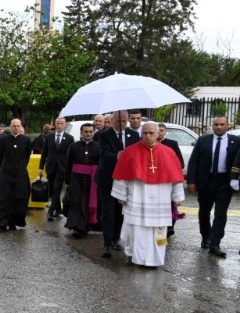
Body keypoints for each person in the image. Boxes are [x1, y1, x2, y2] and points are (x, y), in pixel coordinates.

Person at [111, 121, 185, 267]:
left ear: (158, 134)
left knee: (158, 230)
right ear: (141, 133)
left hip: (161, 200)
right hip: (137, 195)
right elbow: (122, 175)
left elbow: (176, 177)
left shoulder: (169, 152)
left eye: (152, 133)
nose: (148, 136)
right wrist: (121, 195)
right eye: (145, 133)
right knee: (136, 229)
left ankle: (154, 260)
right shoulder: (130, 151)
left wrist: (177, 197)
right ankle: (134, 257)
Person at [186, 115, 240, 258]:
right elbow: (193, 161)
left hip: (224, 182)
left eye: (222, 124)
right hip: (206, 181)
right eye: (216, 124)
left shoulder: (236, 141)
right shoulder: (203, 140)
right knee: (204, 211)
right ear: (212, 125)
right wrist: (191, 181)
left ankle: (215, 244)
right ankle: (206, 237)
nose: (219, 127)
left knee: (220, 214)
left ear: (228, 125)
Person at [94, 110, 139, 257]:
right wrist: (116, 156)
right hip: (108, 178)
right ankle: (107, 243)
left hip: (126, 180)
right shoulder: (103, 135)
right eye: (119, 121)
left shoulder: (133, 135)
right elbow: (103, 153)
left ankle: (115, 239)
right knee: (108, 211)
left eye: (124, 121)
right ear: (113, 120)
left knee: (121, 212)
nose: (122, 124)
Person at [0, 118, 33, 231]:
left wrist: (20, 167)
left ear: (21, 127)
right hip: (6, 172)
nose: (16, 128)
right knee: (4, 197)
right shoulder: (4, 140)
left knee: (18, 197)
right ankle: (3, 221)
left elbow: (27, 156)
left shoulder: (26, 140)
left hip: (20, 173)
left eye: (18, 126)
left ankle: (13, 222)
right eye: (14, 126)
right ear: (10, 127)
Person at [64, 123, 101, 239]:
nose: (88, 134)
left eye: (90, 131)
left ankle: (85, 226)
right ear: (81, 132)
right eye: (86, 131)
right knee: (76, 202)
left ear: (93, 132)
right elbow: (68, 163)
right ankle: (77, 226)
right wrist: (67, 179)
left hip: (92, 180)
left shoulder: (98, 146)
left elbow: (101, 164)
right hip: (76, 179)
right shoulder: (73, 146)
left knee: (88, 203)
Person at [39, 117, 73, 221]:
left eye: (61, 123)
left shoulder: (69, 138)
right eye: (57, 123)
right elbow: (44, 153)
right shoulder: (49, 137)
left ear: (65, 125)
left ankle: (51, 211)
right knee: (52, 189)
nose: (59, 125)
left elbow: (71, 155)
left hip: (62, 168)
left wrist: (70, 169)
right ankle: (58, 209)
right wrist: (41, 167)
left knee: (56, 189)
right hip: (51, 167)